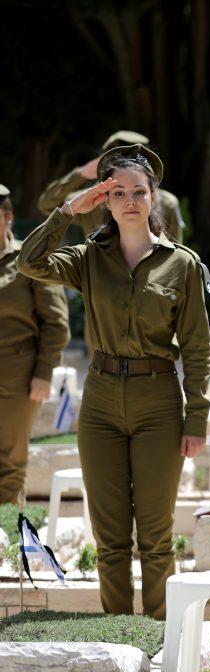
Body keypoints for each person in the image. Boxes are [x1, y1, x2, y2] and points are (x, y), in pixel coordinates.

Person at [18, 144, 210, 619]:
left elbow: (197, 348)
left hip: (158, 402)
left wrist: (197, 417)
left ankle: (163, 636)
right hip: (101, 401)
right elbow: (29, 263)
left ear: (154, 197)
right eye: (117, 192)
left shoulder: (182, 264)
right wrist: (66, 211)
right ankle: (121, 636)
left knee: (155, 536)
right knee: (109, 538)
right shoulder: (88, 258)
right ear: (104, 201)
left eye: (139, 192)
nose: (129, 201)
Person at [0, 183, 70, 503]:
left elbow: (56, 323)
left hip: (17, 370)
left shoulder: (28, 259)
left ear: (8, 217)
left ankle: (8, 536)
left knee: (9, 457)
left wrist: (44, 371)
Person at [37, 131, 186, 241]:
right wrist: (80, 174)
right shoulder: (92, 200)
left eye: (133, 158)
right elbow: (47, 205)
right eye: (118, 194)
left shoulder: (166, 202)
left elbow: (175, 250)